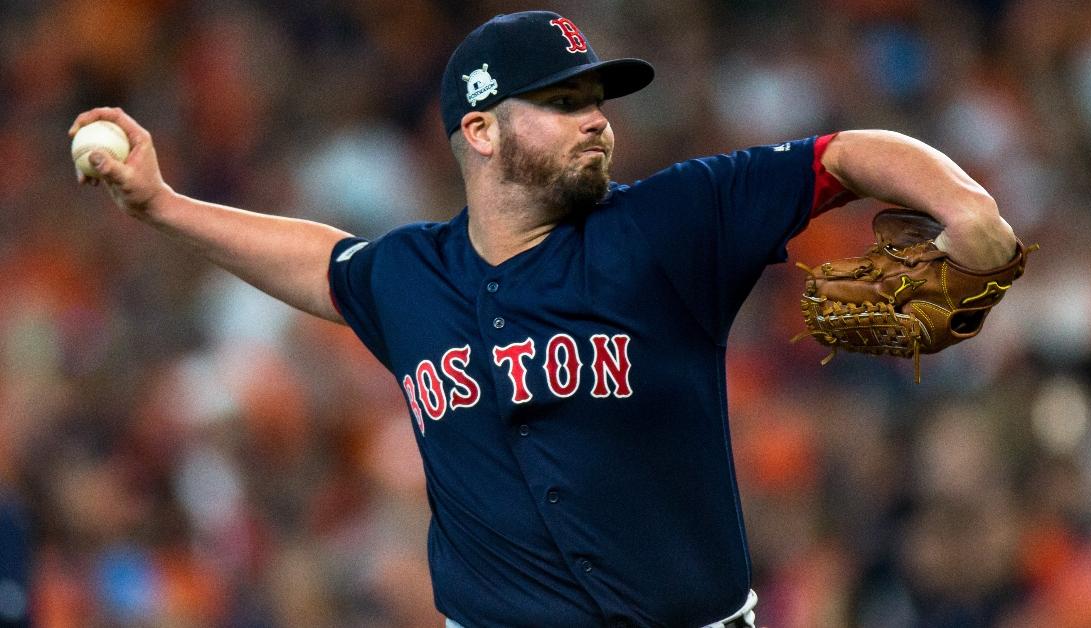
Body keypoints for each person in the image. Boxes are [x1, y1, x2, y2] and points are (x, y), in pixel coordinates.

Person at [71, 10, 1017, 628]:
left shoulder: (668, 224)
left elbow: (843, 154)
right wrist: (162, 206)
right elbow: (319, 259)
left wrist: (967, 205)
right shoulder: (410, 276)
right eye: (563, 103)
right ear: (479, 130)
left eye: (597, 101)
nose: (596, 119)